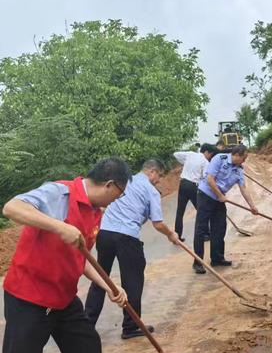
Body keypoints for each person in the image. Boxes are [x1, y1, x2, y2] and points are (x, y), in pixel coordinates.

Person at [0, 158, 130, 353]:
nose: (116, 200)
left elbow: (81, 259)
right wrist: (59, 226)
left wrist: (109, 286)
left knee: (87, 349)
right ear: (110, 185)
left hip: (63, 300)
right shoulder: (59, 194)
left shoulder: (95, 212)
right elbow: (11, 208)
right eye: (119, 194)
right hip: (29, 300)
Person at [85, 159, 180, 339]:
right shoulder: (151, 190)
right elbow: (158, 223)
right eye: (159, 176)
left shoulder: (123, 182)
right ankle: (131, 326)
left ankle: (86, 325)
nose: (158, 180)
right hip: (126, 238)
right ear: (152, 171)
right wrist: (171, 235)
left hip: (105, 234)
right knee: (133, 281)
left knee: (100, 278)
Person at [193, 144, 258, 274]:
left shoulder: (239, 170)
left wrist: (252, 206)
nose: (244, 161)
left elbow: (243, 188)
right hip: (205, 195)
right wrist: (220, 195)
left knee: (219, 228)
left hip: (218, 199)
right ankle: (198, 262)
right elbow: (210, 179)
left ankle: (217, 258)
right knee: (201, 229)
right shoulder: (219, 158)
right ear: (237, 155)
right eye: (244, 158)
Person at [173, 143, 217, 242]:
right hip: (193, 186)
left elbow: (175, 154)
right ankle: (205, 234)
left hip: (183, 184)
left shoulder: (190, 154)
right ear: (206, 152)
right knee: (201, 210)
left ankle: (177, 236)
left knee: (180, 212)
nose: (210, 157)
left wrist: (184, 162)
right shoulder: (205, 162)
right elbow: (206, 178)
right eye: (210, 154)